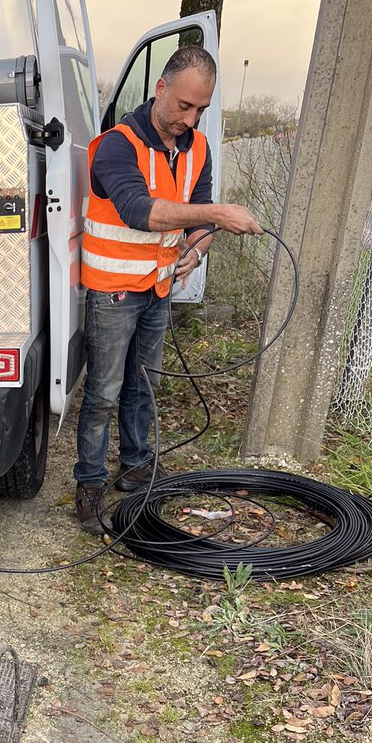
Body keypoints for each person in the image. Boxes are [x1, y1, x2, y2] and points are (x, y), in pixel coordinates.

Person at [74, 44, 263, 534]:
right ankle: (90, 484)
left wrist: (196, 252)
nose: (191, 117)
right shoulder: (116, 145)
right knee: (103, 392)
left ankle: (137, 466)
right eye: (184, 105)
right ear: (160, 89)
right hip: (113, 292)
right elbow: (141, 211)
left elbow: (197, 215)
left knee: (145, 384)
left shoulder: (197, 148)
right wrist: (219, 213)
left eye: (201, 108)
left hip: (158, 288)